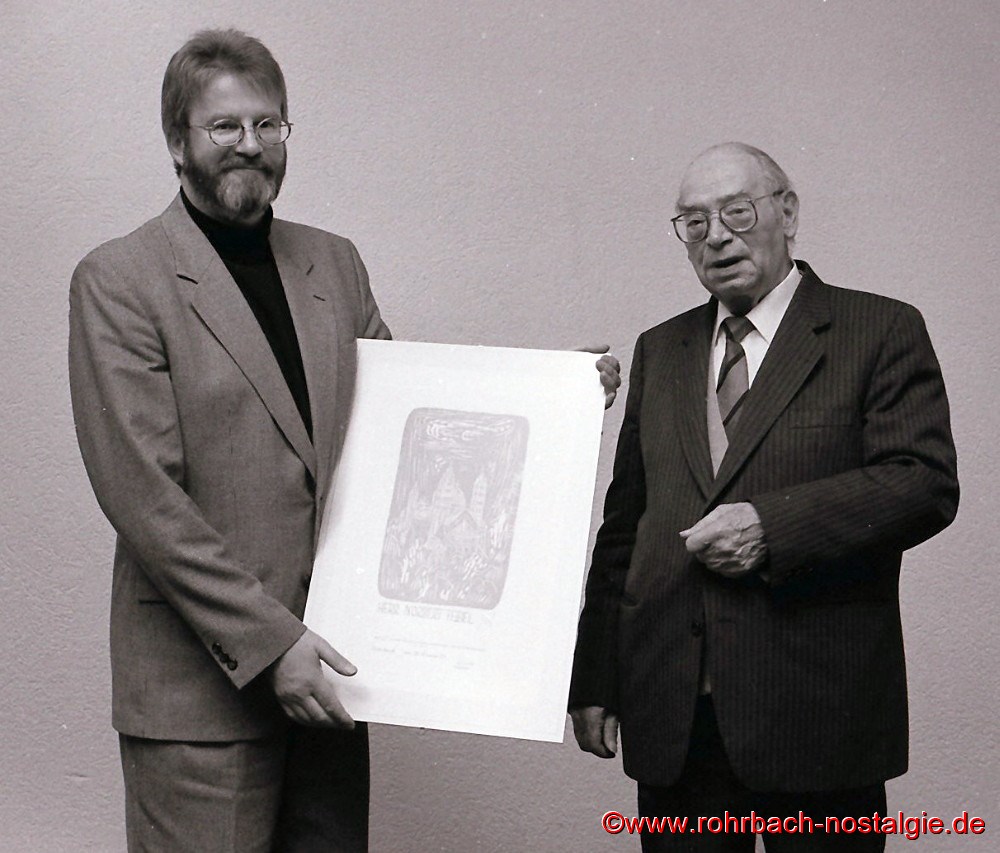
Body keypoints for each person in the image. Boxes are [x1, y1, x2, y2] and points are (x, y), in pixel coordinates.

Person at [69, 28, 620, 852]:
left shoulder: (333, 263)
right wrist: (272, 645)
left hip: (333, 683)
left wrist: (549, 396)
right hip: (200, 701)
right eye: (224, 126)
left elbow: (407, 427)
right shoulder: (120, 279)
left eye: (269, 124)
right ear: (177, 141)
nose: (249, 144)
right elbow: (146, 499)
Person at [569, 142, 958, 852]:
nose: (716, 236)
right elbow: (625, 526)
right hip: (676, 720)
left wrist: (770, 527)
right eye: (694, 222)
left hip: (817, 716)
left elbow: (923, 480)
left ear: (788, 213)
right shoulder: (659, 349)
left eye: (737, 212)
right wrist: (595, 676)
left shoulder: (879, 329)